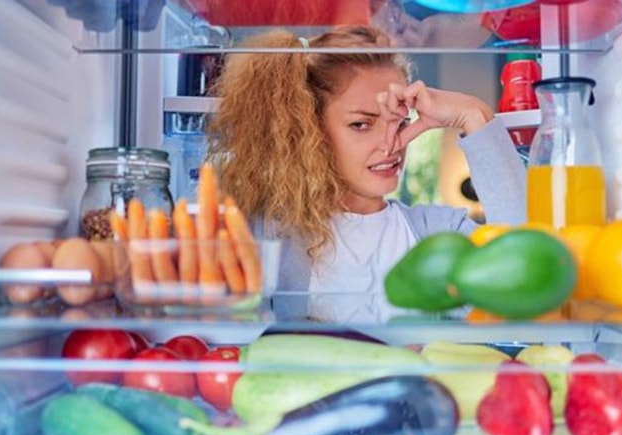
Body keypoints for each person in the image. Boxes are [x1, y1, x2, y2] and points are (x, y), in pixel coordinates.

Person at [207, 25, 525, 319]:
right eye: (361, 124)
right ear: (309, 130)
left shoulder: (439, 231)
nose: (391, 144)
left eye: (400, 122)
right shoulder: (266, 232)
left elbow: (527, 268)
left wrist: (471, 115)